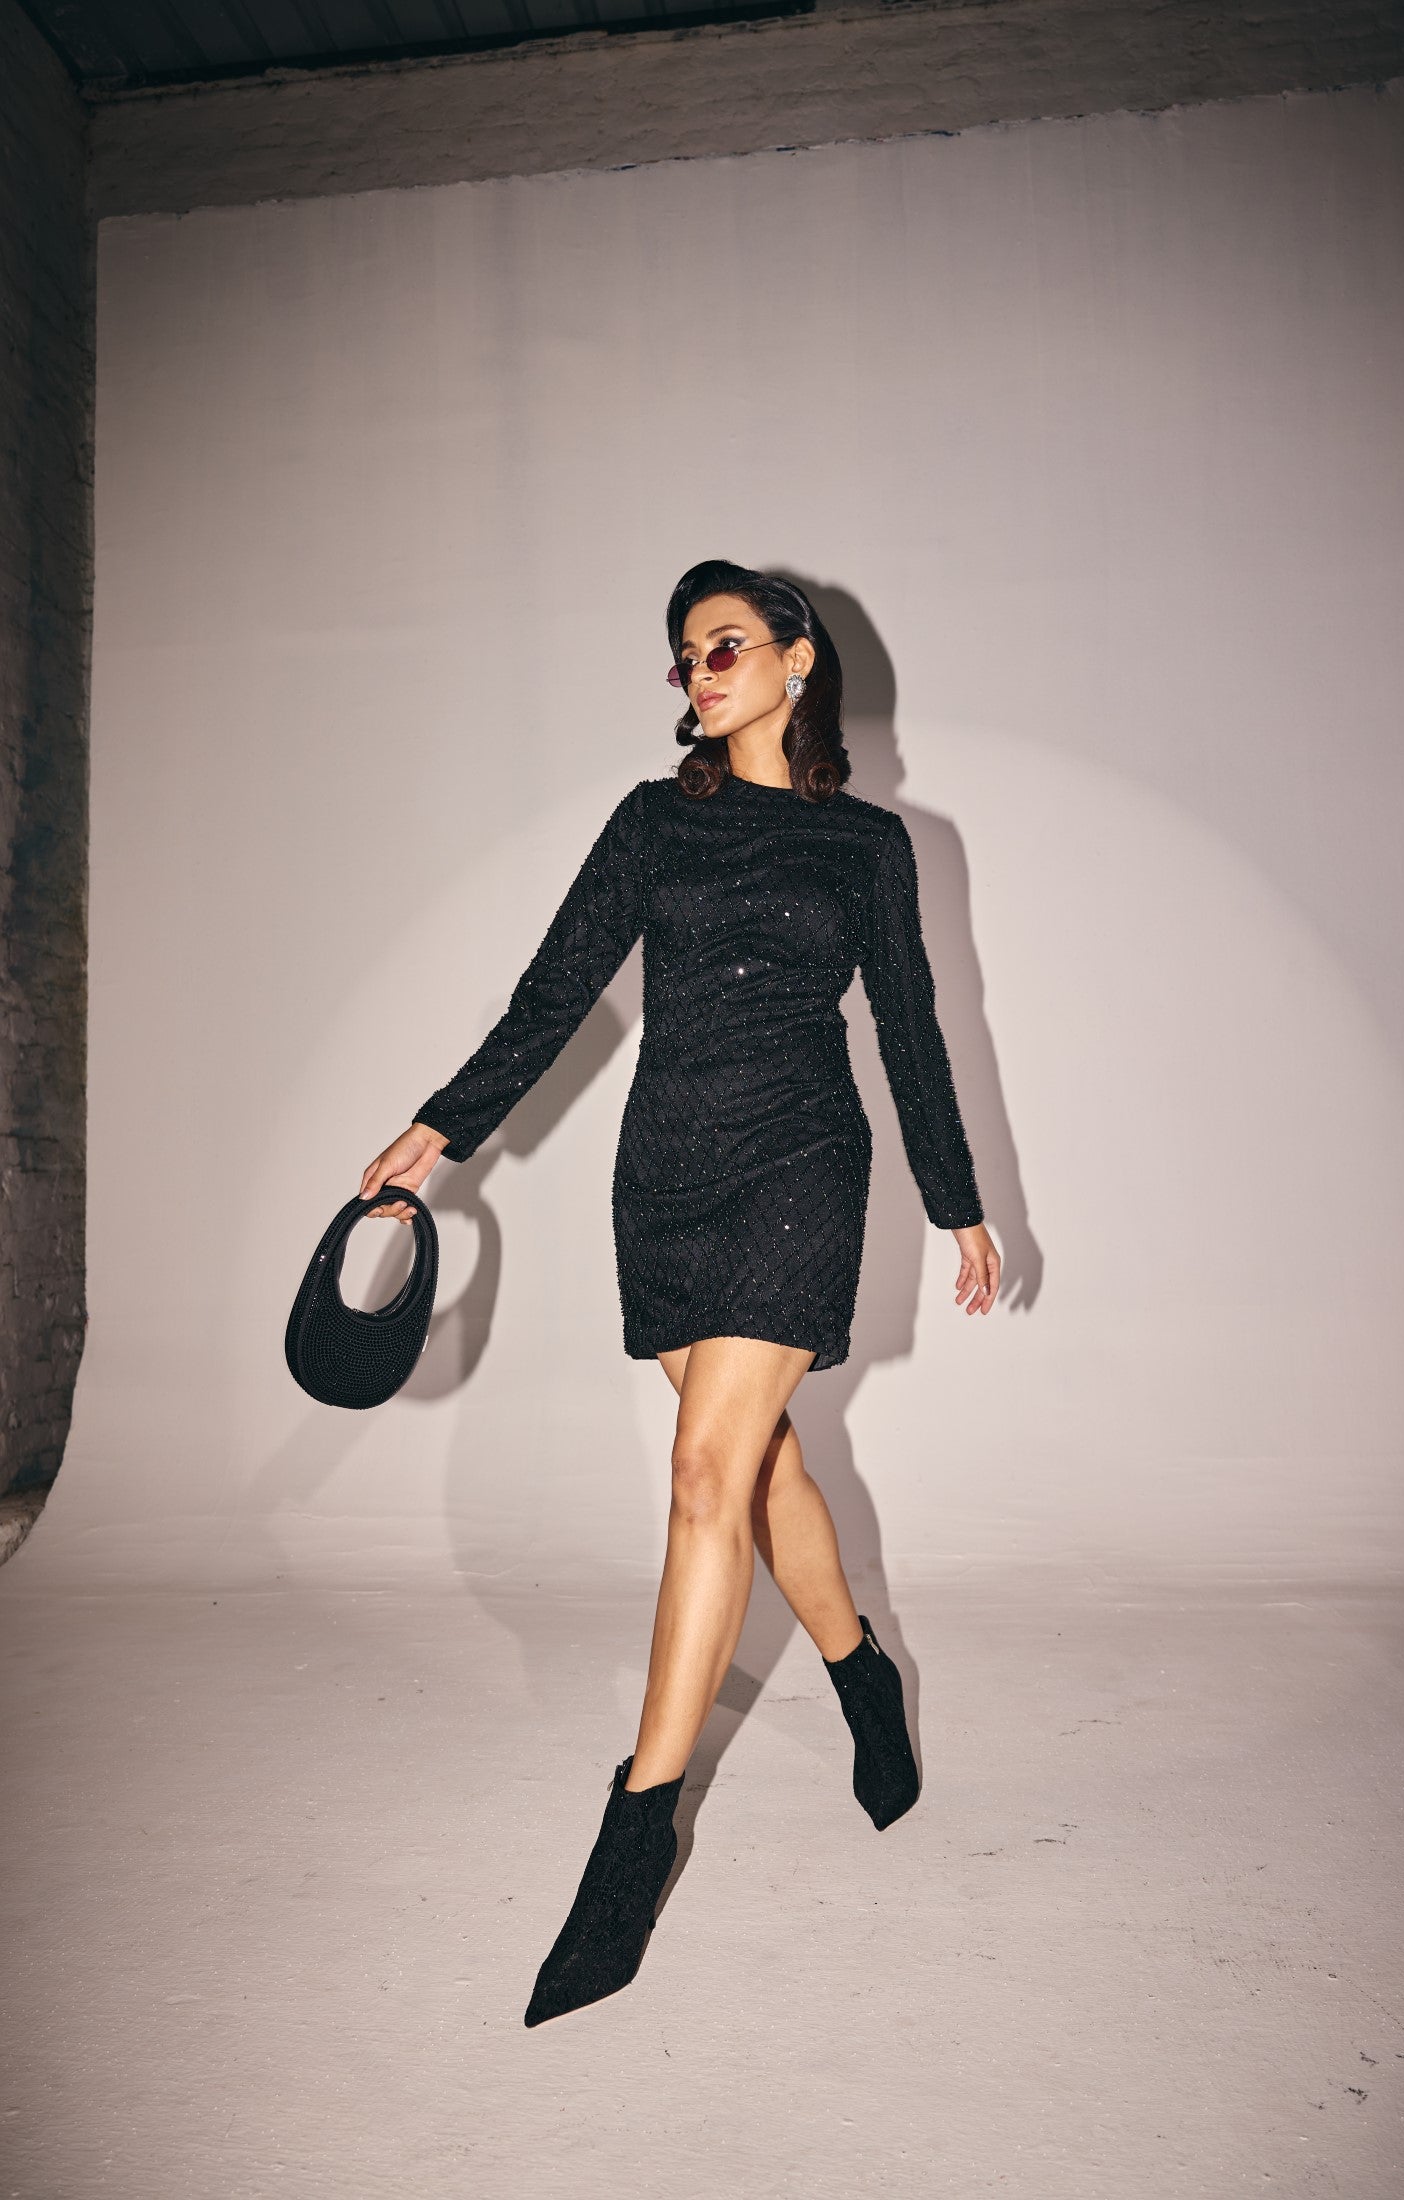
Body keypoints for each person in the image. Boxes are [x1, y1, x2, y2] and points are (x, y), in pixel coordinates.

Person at [358, 559, 1001, 2027]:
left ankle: (636, 1827)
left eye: (723, 647)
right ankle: (859, 1671)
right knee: (760, 1468)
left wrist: (955, 1197)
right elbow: (555, 991)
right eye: (683, 658)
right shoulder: (654, 822)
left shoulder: (868, 846)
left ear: (794, 658)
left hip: (801, 1163)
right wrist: (442, 1128)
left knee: (705, 1470)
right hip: (665, 1179)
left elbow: (911, 1028)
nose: (699, 674)